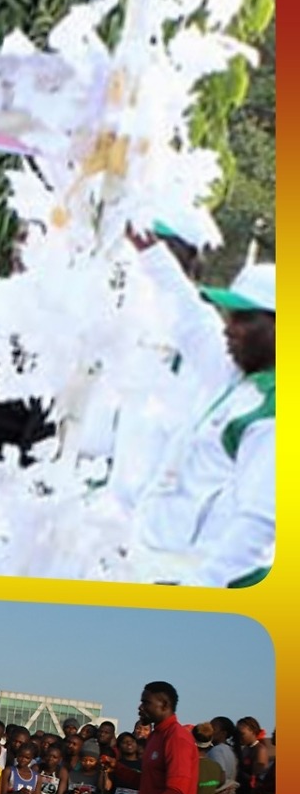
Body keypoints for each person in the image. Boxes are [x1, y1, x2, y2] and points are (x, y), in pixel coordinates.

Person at [126, 249, 274, 587]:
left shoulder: (276, 407)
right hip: (164, 566)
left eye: (244, 317)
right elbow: (192, 318)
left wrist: (199, 588)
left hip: (203, 581)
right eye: (229, 315)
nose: (229, 328)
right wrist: (150, 251)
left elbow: (259, 523)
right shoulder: (237, 376)